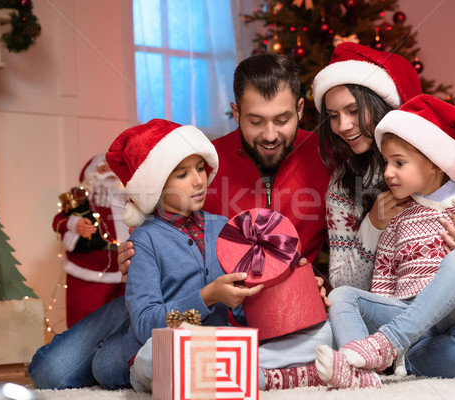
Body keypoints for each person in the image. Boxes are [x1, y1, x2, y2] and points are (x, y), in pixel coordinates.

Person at [29, 54, 334, 391]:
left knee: (324, 334)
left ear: (301, 109)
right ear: (236, 114)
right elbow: (153, 219)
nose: (270, 133)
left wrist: (303, 288)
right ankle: (125, 355)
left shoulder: (327, 157)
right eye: (256, 121)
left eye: (282, 119)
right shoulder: (204, 157)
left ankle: (246, 369)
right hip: (160, 308)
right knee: (58, 371)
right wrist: (135, 256)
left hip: (244, 319)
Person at [314, 94, 455, 389]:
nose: (388, 173)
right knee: (344, 295)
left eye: (399, 163)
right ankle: (362, 372)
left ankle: (386, 346)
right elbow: (383, 282)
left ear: (435, 164)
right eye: (386, 162)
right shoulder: (395, 217)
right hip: (411, 319)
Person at [103, 119, 263, 391]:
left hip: (215, 341)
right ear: (157, 186)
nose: (200, 180)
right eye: (182, 174)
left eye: (200, 168)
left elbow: (240, 311)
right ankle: (216, 373)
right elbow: (144, 325)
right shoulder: (144, 241)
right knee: (156, 354)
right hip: (158, 347)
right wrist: (208, 296)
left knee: (299, 341)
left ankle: (222, 371)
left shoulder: (224, 227)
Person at [52, 154, 128, 327]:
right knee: (86, 326)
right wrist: (75, 223)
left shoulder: (127, 199)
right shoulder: (80, 199)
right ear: (91, 174)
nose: (108, 174)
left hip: (123, 269)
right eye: (103, 169)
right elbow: (59, 221)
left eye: (112, 169)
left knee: (121, 325)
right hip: (88, 270)